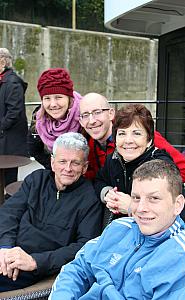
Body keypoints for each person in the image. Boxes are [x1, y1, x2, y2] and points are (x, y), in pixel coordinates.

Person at [49, 159, 185, 300]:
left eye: (154, 198)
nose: (141, 208)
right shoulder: (120, 228)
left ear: (178, 204)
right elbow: (78, 268)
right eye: (136, 198)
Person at [0, 132, 102, 292]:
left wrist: (35, 261)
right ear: (53, 163)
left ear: (84, 167)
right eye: (62, 161)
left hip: (35, 265)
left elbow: (84, 246)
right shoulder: (36, 180)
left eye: (75, 163)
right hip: (8, 251)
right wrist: (5, 247)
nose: (68, 169)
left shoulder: (89, 198)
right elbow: (9, 212)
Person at [94, 104, 185, 223]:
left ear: (149, 140)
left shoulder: (161, 166)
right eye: (122, 133)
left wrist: (131, 206)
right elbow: (99, 180)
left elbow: (173, 215)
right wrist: (107, 193)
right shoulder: (113, 159)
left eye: (137, 133)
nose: (128, 140)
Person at [79, 92, 185, 182]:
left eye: (97, 112)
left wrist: (141, 196)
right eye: (85, 115)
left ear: (111, 113)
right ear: (80, 121)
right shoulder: (87, 145)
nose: (92, 121)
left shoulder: (141, 136)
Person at [27, 68, 82, 169]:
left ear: (69, 98)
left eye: (58, 97)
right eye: (47, 98)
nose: (53, 104)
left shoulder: (84, 113)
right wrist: (56, 168)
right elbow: (34, 149)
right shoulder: (38, 116)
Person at [0, 48, 28, 186]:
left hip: (9, 142)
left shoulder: (12, 82)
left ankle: (8, 204)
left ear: (3, 62)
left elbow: (14, 112)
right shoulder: (5, 81)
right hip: (4, 139)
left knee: (9, 179)